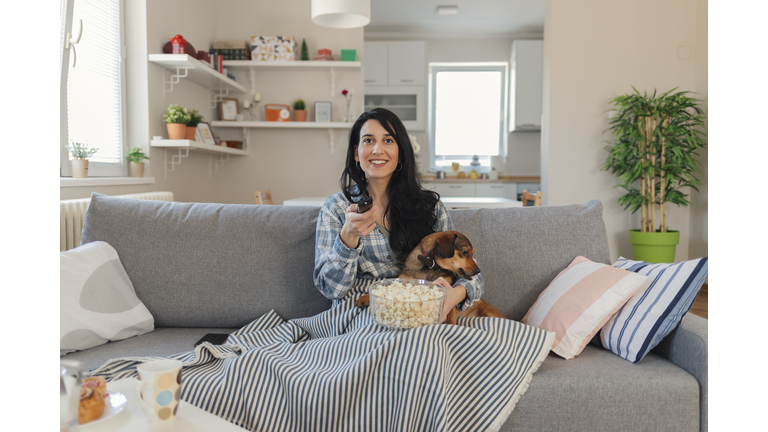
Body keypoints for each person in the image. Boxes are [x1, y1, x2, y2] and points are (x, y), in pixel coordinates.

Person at [313, 108, 484, 323]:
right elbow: (330, 289)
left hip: (417, 312)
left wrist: (453, 296)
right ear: (356, 153)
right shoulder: (336, 208)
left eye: (388, 140)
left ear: (401, 153)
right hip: (360, 315)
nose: (377, 149)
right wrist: (347, 238)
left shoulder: (430, 208)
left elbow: (474, 278)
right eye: (368, 141)